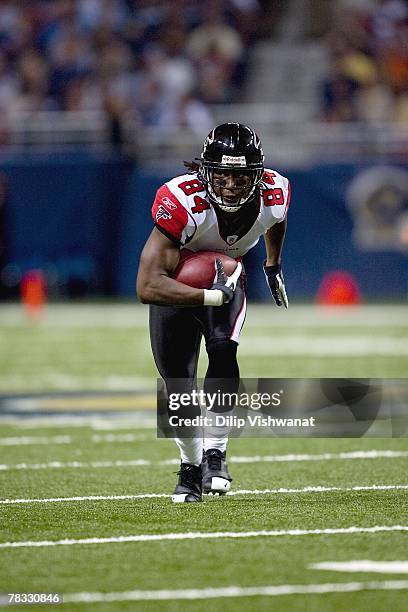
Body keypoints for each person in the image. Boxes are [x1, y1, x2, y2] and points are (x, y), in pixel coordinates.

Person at [137, 123, 290, 502]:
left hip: (227, 277)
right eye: (222, 175)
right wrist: (208, 296)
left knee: (224, 349)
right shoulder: (182, 201)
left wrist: (272, 264)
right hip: (178, 286)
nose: (232, 186)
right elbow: (147, 286)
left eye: (241, 177)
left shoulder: (275, 192)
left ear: (258, 175)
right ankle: (190, 468)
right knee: (177, 386)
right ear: (205, 171)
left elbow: (276, 220)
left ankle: (215, 454)